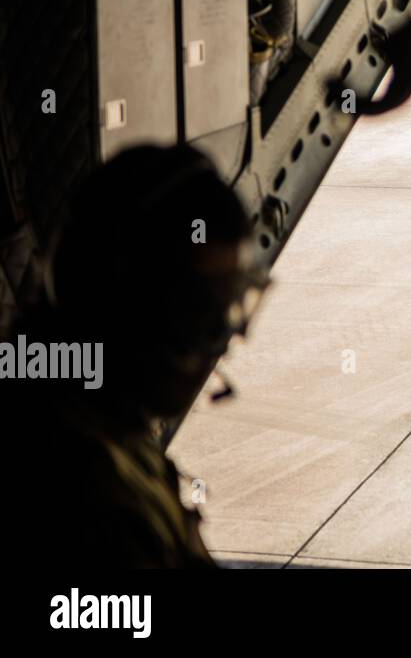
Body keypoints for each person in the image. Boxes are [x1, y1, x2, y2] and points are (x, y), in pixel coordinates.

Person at [0, 144, 262, 568]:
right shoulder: (84, 496)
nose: (217, 343)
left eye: (224, 312)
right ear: (117, 300)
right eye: (196, 312)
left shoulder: (100, 419)